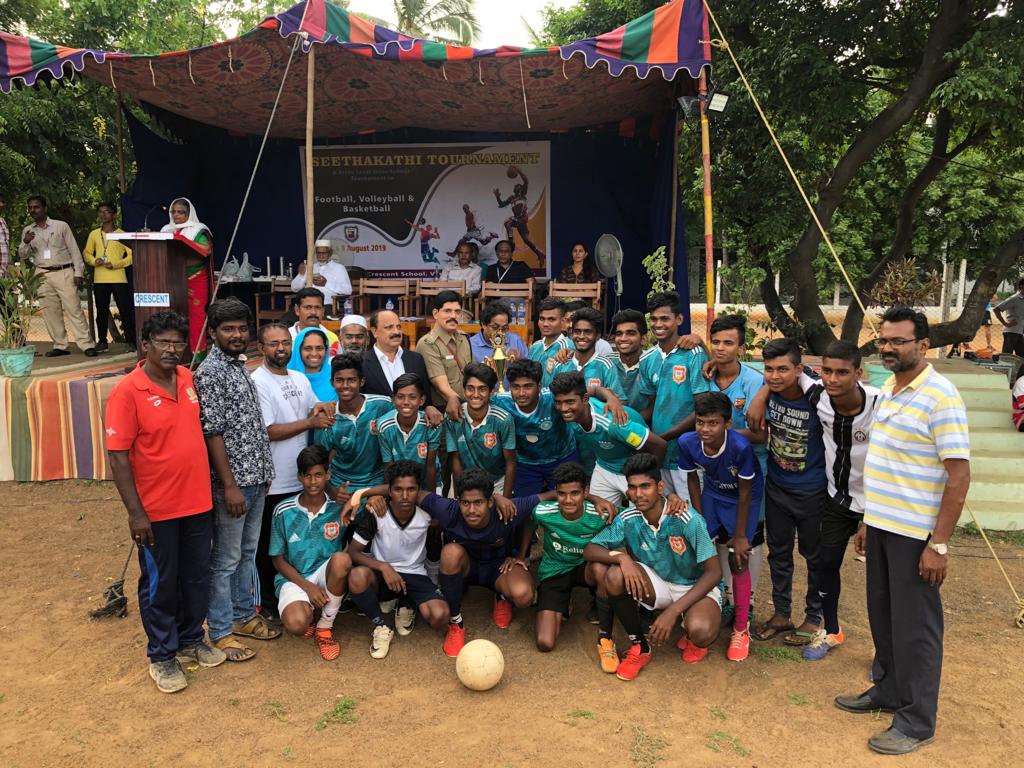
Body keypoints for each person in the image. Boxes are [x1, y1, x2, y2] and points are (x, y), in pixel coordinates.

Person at [836, 306, 970, 756]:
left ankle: (916, 720)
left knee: (917, 628)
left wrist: (940, 544)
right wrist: (868, 521)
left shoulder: (940, 396)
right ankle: (889, 690)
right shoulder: (891, 390)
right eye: (884, 341)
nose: (888, 348)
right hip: (883, 526)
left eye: (898, 341)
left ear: (923, 345)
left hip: (917, 535)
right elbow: (886, 463)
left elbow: (958, 475)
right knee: (884, 616)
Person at [106, 310, 225, 693]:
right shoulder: (128, 391)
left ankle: (191, 639)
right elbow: (118, 456)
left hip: (198, 503)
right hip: (156, 511)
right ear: (146, 345)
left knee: (196, 577)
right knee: (161, 584)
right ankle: (162, 654)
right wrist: (135, 513)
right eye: (164, 343)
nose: (173, 350)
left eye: (179, 343)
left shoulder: (188, 378)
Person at [583, 453, 723, 681]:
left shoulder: (687, 518)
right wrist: (622, 559)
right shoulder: (628, 517)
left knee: (701, 632)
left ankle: (690, 628)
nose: (638, 494)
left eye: (645, 486)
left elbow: (714, 571)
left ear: (660, 487)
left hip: (694, 586)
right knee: (615, 575)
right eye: (632, 487)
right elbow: (590, 549)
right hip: (658, 584)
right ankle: (640, 646)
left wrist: (674, 611)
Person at [194, 298, 279, 663]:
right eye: (228, 329)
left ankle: (244, 615)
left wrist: (264, 473)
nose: (237, 334)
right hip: (233, 483)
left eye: (242, 328)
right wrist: (228, 485)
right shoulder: (210, 373)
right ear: (213, 333)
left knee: (246, 552)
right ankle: (222, 629)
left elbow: (250, 427)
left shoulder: (240, 366)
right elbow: (212, 432)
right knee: (226, 558)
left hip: (255, 477)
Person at [795, 341, 881, 661]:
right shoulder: (819, 394)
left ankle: (884, 651)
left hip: (879, 503)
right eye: (827, 371)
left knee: (882, 577)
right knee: (824, 564)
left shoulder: (881, 406)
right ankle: (831, 630)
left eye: (842, 372)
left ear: (859, 374)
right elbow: (792, 370)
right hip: (837, 498)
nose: (833, 379)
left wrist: (871, 519)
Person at [252, 323, 334, 621]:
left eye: (286, 343)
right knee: (268, 546)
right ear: (261, 348)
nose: (281, 349)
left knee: (302, 542)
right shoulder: (258, 381)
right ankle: (268, 605)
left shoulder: (299, 378)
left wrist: (327, 408)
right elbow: (269, 430)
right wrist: (311, 423)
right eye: (274, 344)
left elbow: (315, 408)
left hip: (302, 479)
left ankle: (306, 594)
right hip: (274, 481)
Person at [750, 338, 826, 647]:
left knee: (815, 557)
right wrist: (763, 392)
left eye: (783, 369)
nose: (775, 376)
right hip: (778, 486)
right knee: (778, 553)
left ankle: (815, 617)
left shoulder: (818, 398)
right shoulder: (769, 393)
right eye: (769, 369)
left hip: (813, 491)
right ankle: (782, 614)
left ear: (798, 368)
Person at [677, 392, 763, 662]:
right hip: (712, 495)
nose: (705, 429)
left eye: (713, 423)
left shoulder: (740, 448)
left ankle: (741, 628)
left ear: (727, 423)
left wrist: (739, 536)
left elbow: (745, 493)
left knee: (738, 558)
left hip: (742, 498)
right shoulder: (687, 442)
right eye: (700, 422)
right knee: (700, 552)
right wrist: (699, 520)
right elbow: (692, 481)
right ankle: (701, 613)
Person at [346, 461, 451, 659]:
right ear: (389, 491)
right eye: (398, 489)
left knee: (440, 617)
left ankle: (406, 600)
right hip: (382, 575)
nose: (404, 496)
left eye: (411, 489)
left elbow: (436, 547)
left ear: (418, 490)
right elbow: (352, 552)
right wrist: (383, 566)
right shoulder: (377, 513)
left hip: (415, 574)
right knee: (357, 576)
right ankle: (382, 624)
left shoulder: (428, 515)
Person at [705, 313, 769, 622]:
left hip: (750, 470)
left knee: (749, 535)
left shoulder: (755, 382)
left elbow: (761, 433)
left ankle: (749, 598)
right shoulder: (706, 376)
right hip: (715, 472)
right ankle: (727, 595)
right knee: (720, 535)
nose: (721, 348)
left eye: (728, 343)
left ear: (741, 348)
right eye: (715, 342)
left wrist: (723, 435)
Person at [517, 462, 613, 662]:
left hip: (584, 568)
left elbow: (632, 518)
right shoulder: (543, 512)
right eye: (562, 494)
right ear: (556, 492)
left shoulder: (601, 513)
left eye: (575, 493)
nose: (568, 500)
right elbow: (528, 524)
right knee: (545, 643)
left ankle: (603, 622)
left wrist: (672, 499)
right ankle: (563, 601)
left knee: (601, 568)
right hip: (555, 569)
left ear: (585, 492)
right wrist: (521, 555)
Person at [492, 358, 626, 498]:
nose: (521, 393)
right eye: (515, 387)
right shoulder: (502, 401)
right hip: (526, 463)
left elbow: (595, 389)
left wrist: (611, 398)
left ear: (539, 386)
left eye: (528, 386)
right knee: (525, 506)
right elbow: (477, 403)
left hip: (563, 457)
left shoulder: (553, 397)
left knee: (569, 503)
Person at [269, 445, 353, 661]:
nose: (313, 482)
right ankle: (310, 612)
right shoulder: (283, 510)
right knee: (297, 625)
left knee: (342, 559)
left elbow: (363, 514)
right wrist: (308, 587)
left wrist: (369, 499)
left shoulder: (339, 508)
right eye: (307, 476)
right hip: (295, 578)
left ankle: (325, 628)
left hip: (326, 575)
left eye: (318, 475)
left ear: (328, 475)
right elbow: (277, 560)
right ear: (299, 477)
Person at [550, 371, 666, 504]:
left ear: (584, 399)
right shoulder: (574, 407)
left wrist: (650, 476)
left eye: (569, 402)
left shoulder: (613, 424)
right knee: (598, 518)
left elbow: (660, 445)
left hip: (633, 473)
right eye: (558, 402)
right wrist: (610, 396)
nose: (563, 408)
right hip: (604, 467)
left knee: (642, 520)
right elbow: (593, 389)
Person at [637, 292, 709, 497]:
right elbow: (652, 406)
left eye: (664, 318)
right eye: (654, 319)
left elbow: (702, 409)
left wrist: (664, 437)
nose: (658, 324)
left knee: (690, 515)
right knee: (665, 515)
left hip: (687, 455)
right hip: (660, 454)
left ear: (678, 319)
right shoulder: (647, 358)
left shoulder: (694, 354)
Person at [17, 195, 96, 357]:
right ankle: (60, 345)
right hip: (42, 274)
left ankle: (86, 344)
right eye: (30, 207)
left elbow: (74, 250)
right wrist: (25, 242)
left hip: (64, 271)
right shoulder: (28, 230)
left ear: (44, 208)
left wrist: (78, 272)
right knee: (50, 311)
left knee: (74, 308)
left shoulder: (61, 226)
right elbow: (23, 256)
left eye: (36, 207)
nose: (33, 210)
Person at [314, 353, 394, 504]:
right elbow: (319, 463)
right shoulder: (327, 418)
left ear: (361, 381)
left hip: (376, 485)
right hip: (342, 486)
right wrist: (333, 492)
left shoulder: (382, 406)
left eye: (351, 380)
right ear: (332, 383)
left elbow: (406, 413)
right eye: (339, 380)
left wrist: (429, 408)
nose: (345, 386)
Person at [445, 363, 517, 494]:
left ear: (491, 392)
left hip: (497, 482)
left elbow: (510, 462)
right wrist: (460, 494)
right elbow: (455, 458)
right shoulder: (453, 415)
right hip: (464, 482)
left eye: (482, 389)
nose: (475, 394)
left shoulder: (503, 420)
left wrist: (506, 498)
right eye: (470, 388)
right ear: (464, 390)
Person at [161, 198, 212, 353]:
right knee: (174, 317)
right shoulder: (166, 230)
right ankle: (176, 352)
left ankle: (197, 354)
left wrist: (183, 242)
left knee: (196, 318)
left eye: (181, 212)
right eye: (173, 212)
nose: (176, 215)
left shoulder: (198, 229)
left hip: (195, 279)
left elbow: (206, 249)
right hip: (174, 280)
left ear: (189, 214)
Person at [83, 201, 135, 352]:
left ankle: (130, 341)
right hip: (100, 278)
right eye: (100, 212)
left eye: (107, 212)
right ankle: (102, 341)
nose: (103, 215)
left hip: (118, 278)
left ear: (114, 214)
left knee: (124, 310)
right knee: (101, 311)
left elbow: (132, 255)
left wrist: (117, 264)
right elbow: (86, 253)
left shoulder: (122, 235)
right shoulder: (94, 234)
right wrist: (94, 261)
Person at [377, 373, 441, 490]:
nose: (406, 402)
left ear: (421, 400)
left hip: (428, 482)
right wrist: (391, 497)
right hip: (398, 485)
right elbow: (388, 467)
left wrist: (431, 500)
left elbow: (430, 466)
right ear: (393, 399)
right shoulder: (384, 426)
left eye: (412, 397)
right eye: (400, 397)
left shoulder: (431, 424)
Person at [416, 290, 473, 420]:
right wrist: (469, 407)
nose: (453, 316)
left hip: (468, 408)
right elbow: (442, 388)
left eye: (457, 312)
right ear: (436, 314)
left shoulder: (464, 338)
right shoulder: (428, 344)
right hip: (444, 412)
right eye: (447, 311)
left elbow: (471, 373)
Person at [362, 309, 435, 405]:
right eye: (389, 327)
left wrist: (429, 408)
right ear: (374, 331)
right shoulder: (363, 362)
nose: (396, 332)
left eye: (398, 327)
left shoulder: (415, 359)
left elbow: (425, 396)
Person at [549, 307, 624, 399]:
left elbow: (621, 402)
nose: (581, 336)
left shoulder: (606, 367)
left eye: (587, 332)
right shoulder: (560, 364)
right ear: (572, 334)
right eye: (577, 331)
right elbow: (550, 399)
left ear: (597, 336)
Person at [493, 167, 546, 268]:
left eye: (519, 186)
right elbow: (501, 204)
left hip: (522, 218)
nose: (518, 187)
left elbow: (526, 181)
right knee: (526, 240)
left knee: (508, 223)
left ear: (521, 189)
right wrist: (497, 196)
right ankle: (540, 254)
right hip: (518, 220)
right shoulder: (512, 198)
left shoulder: (522, 195)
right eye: (516, 186)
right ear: (514, 189)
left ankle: (510, 243)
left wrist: (519, 171)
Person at [470, 300, 529, 389]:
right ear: (483, 325)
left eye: (504, 328)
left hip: (511, 397)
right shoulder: (471, 345)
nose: (500, 332)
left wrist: (519, 358)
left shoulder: (515, 340)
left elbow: (529, 369)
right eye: (495, 327)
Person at [290, 239, 352, 312]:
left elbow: (348, 290)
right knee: (287, 319)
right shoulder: (310, 267)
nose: (321, 255)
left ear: (330, 253)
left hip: (327, 306)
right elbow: (294, 288)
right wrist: (301, 275)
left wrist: (326, 283)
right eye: (318, 253)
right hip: (306, 306)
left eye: (324, 253)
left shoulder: (339, 268)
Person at [529, 297, 574, 387]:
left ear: (563, 321)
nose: (545, 324)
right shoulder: (535, 346)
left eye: (551, 319)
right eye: (542, 319)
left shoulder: (568, 348)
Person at [609, 309, 648, 411]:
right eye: (619, 334)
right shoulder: (606, 363)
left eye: (630, 333)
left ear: (643, 339)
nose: (623, 338)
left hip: (644, 424)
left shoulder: (652, 363)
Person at [287, 327, 335, 402]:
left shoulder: (336, 376)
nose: (314, 354)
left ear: (326, 350)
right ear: (298, 350)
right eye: (308, 348)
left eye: (319, 348)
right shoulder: (286, 377)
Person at [287, 287, 340, 353]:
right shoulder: (286, 337)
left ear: (323, 311)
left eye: (317, 307)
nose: (313, 312)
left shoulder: (332, 339)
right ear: (297, 310)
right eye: (308, 307)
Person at [993, 278, 1024, 356]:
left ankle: (1019, 368)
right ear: (1021, 286)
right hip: (1011, 331)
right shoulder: (1015, 298)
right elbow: (996, 309)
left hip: (1020, 332)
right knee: (1007, 355)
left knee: (1021, 356)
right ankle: (1004, 367)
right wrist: (1005, 323)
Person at [0, 194, 8, 273]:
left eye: (3, 202)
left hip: (3, 271)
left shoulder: (2, 221)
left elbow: (5, 245)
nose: (2, 204)